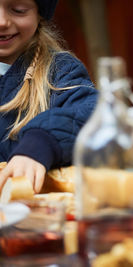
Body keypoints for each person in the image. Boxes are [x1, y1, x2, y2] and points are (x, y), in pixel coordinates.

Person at [0, 0, 98, 193]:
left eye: (18, 10)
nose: (2, 21)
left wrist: (41, 142)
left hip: (36, 209)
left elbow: (92, 113)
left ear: (39, 15)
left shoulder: (60, 70)